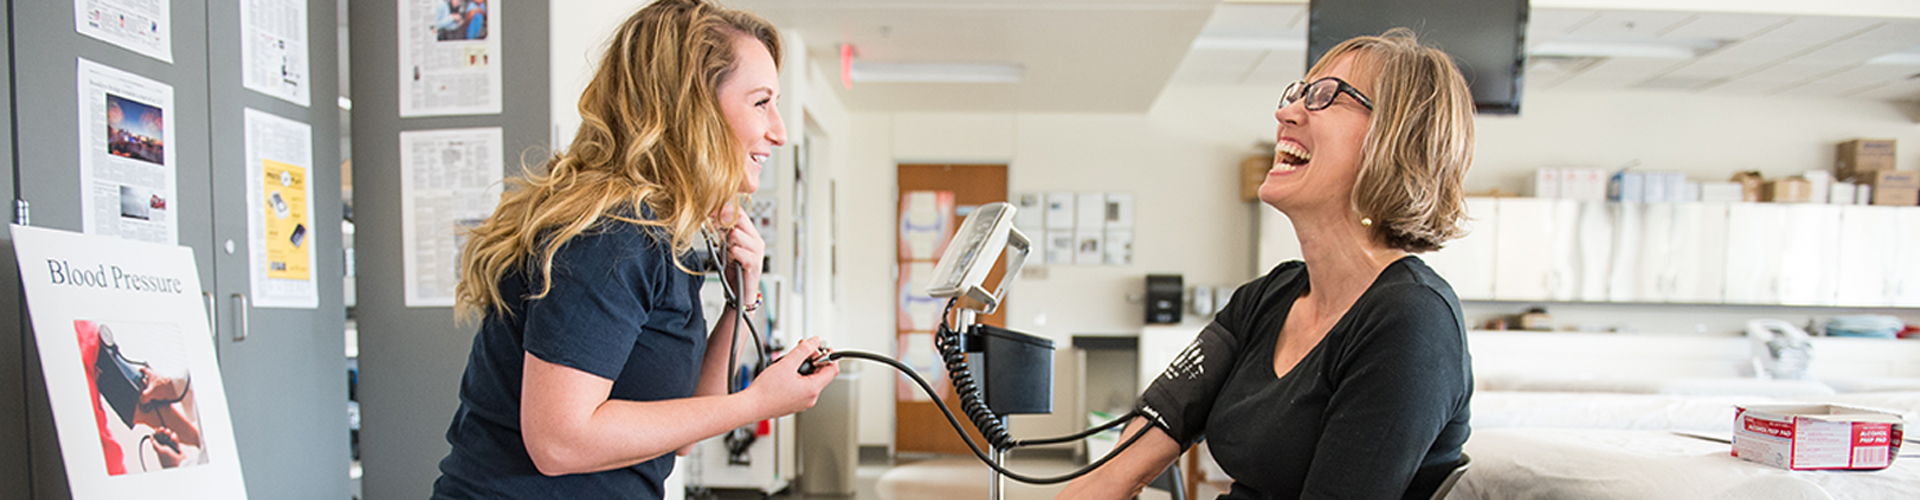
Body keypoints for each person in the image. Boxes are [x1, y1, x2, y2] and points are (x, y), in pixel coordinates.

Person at [430, 1, 837, 498]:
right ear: (694, 108)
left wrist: (739, 298)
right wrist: (758, 403)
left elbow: (685, 429)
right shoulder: (611, 234)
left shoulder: (665, 232)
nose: (779, 130)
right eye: (761, 103)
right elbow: (558, 442)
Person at [1059, 28, 1475, 500]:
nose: (1285, 112)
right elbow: (1134, 455)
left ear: (1397, 139)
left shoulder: (1411, 320)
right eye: (1296, 93)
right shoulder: (1268, 297)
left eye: (1324, 96)